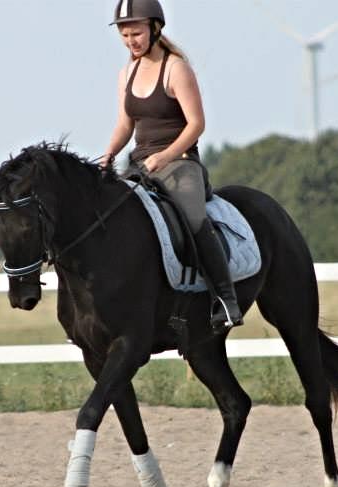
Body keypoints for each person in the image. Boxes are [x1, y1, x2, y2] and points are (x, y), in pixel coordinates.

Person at [101, 0, 243, 331]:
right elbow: (125, 125)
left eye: (135, 33)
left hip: (180, 163)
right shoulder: (127, 72)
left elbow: (196, 124)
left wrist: (165, 156)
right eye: (124, 35)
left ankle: (225, 298)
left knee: (194, 220)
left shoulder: (176, 68)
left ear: (155, 28)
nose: (130, 41)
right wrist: (108, 154)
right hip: (139, 164)